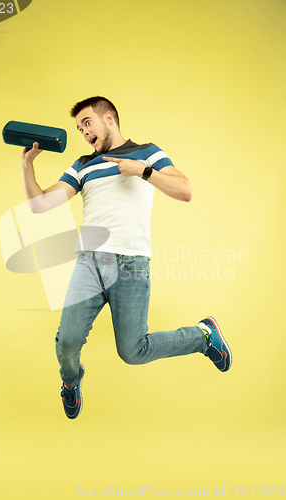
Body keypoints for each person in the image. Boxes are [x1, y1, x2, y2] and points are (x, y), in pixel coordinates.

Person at [21, 96, 232, 419]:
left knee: (133, 352)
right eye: (79, 128)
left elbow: (185, 190)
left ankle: (203, 337)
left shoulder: (147, 152)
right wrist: (27, 166)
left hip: (131, 264)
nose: (84, 132)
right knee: (67, 343)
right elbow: (39, 206)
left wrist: (143, 171)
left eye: (87, 123)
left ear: (109, 118)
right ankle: (71, 382)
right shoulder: (82, 165)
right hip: (89, 263)